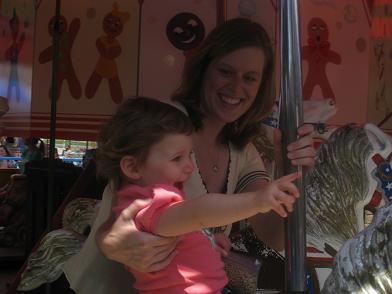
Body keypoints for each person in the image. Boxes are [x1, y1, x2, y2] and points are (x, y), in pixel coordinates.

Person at [63, 18, 316, 293]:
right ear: (204, 69)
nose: (235, 87)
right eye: (226, 72)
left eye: (249, 78)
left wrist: (292, 171)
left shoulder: (242, 151)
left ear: (260, 86)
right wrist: (109, 242)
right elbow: (124, 214)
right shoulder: (162, 127)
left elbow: (273, 235)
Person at [96, 97, 300, 293]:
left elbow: (182, 226)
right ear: (132, 167)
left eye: (189, 155)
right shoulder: (150, 201)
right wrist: (257, 200)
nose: (189, 167)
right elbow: (199, 213)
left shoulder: (144, 205)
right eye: (177, 159)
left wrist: (205, 240)